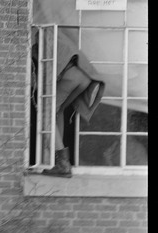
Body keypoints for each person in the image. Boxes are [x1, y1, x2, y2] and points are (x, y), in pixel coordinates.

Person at [32, 29, 105, 178]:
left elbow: (42, 73)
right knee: (57, 111)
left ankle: (62, 164)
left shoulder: (39, 41)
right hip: (84, 76)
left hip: (69, 76)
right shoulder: (59, 36)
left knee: (45, 113)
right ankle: (58, 157)